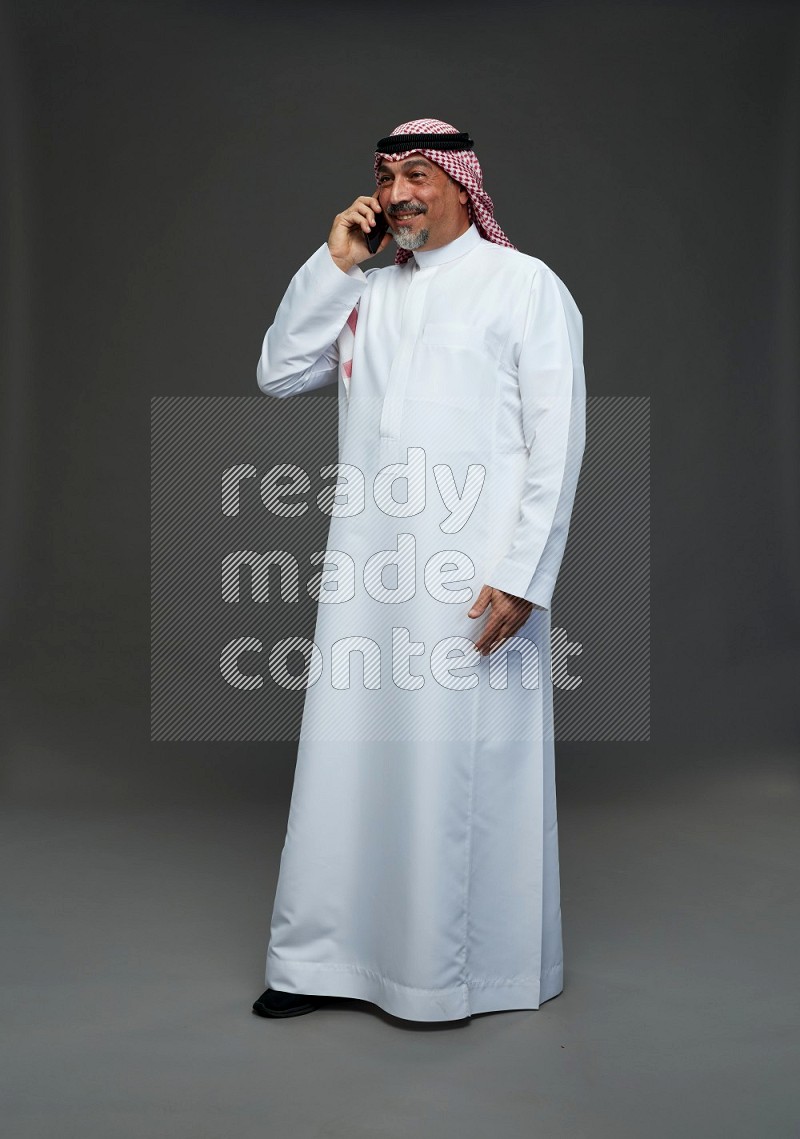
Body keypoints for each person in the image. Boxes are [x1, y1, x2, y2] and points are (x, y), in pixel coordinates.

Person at [252, 118, 586, 1023]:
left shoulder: (524, 287)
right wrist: (333, 265)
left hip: (474, 580)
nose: (398, 192)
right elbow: (279, 374)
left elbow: (556, 443)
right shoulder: (367, 291)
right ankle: (321, 963)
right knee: (348, 764)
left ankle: (447, 978)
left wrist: (524, 574)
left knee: (455, 773)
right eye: (385, 176)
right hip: (369, 575)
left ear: (463, 186)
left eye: (417, 175)